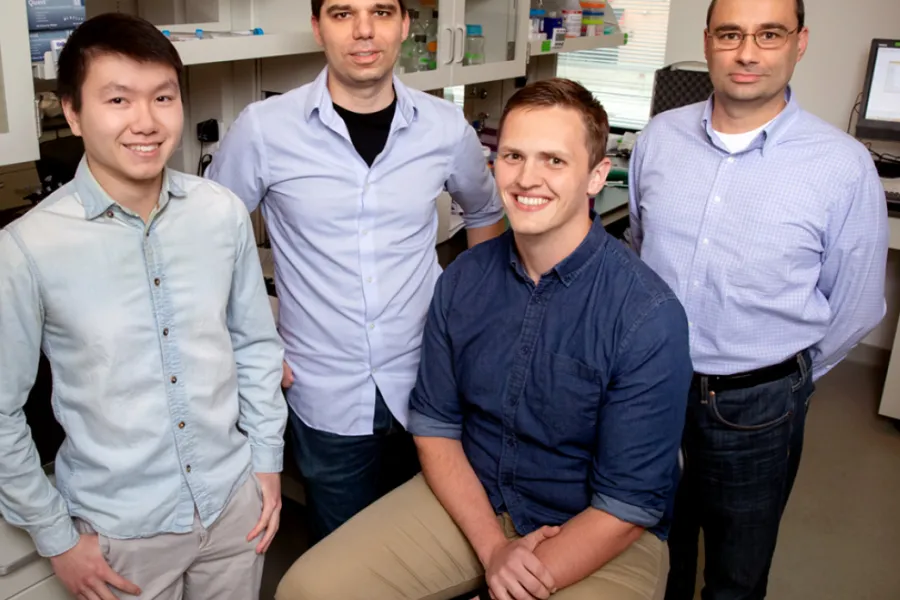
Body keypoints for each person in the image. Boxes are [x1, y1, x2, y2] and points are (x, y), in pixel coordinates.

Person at [274, 77, 693, 600]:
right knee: (307, 589)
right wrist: (494, 548)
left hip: (597, 530)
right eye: (513, 156)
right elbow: (435, 428)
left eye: (554, 161)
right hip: (476, 498)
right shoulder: (464, 279)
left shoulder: (647, 315)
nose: (527, 178)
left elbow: (627, 506)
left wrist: (510, 581)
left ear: (596, 176)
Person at [0, 14, 287, 600]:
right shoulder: (28, 248)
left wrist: (266, 463)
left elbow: (255, 344)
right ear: (74, 112)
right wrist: (55, 537)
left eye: (163, 97)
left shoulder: (221, 212)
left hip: (235, 509)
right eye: (117, 99)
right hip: (119, 535)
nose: (146, 122)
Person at [206, 0, 505, 544]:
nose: (365, 31)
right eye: (343, 13)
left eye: (382, 12)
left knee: (433, 551)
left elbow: (485, 213)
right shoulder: (264, 130)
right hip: (324, 390)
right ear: (318, 27)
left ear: (404, 25)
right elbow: (210, 242)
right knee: (344, 560)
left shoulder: (443, 128)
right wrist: (250, 340)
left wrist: (477, 318)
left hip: (431, 382)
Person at [628, 0, 889, 598]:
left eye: (769, 35)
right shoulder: (660, 138)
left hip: (758, 403)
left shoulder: (842, 167)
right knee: (649, 546)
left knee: (736, 571)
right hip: (652, 387)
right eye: (731, 34)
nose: (747, 53)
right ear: (709, 42)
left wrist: (789, 377)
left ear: (799, 43)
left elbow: (854, 306)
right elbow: (642, 245)